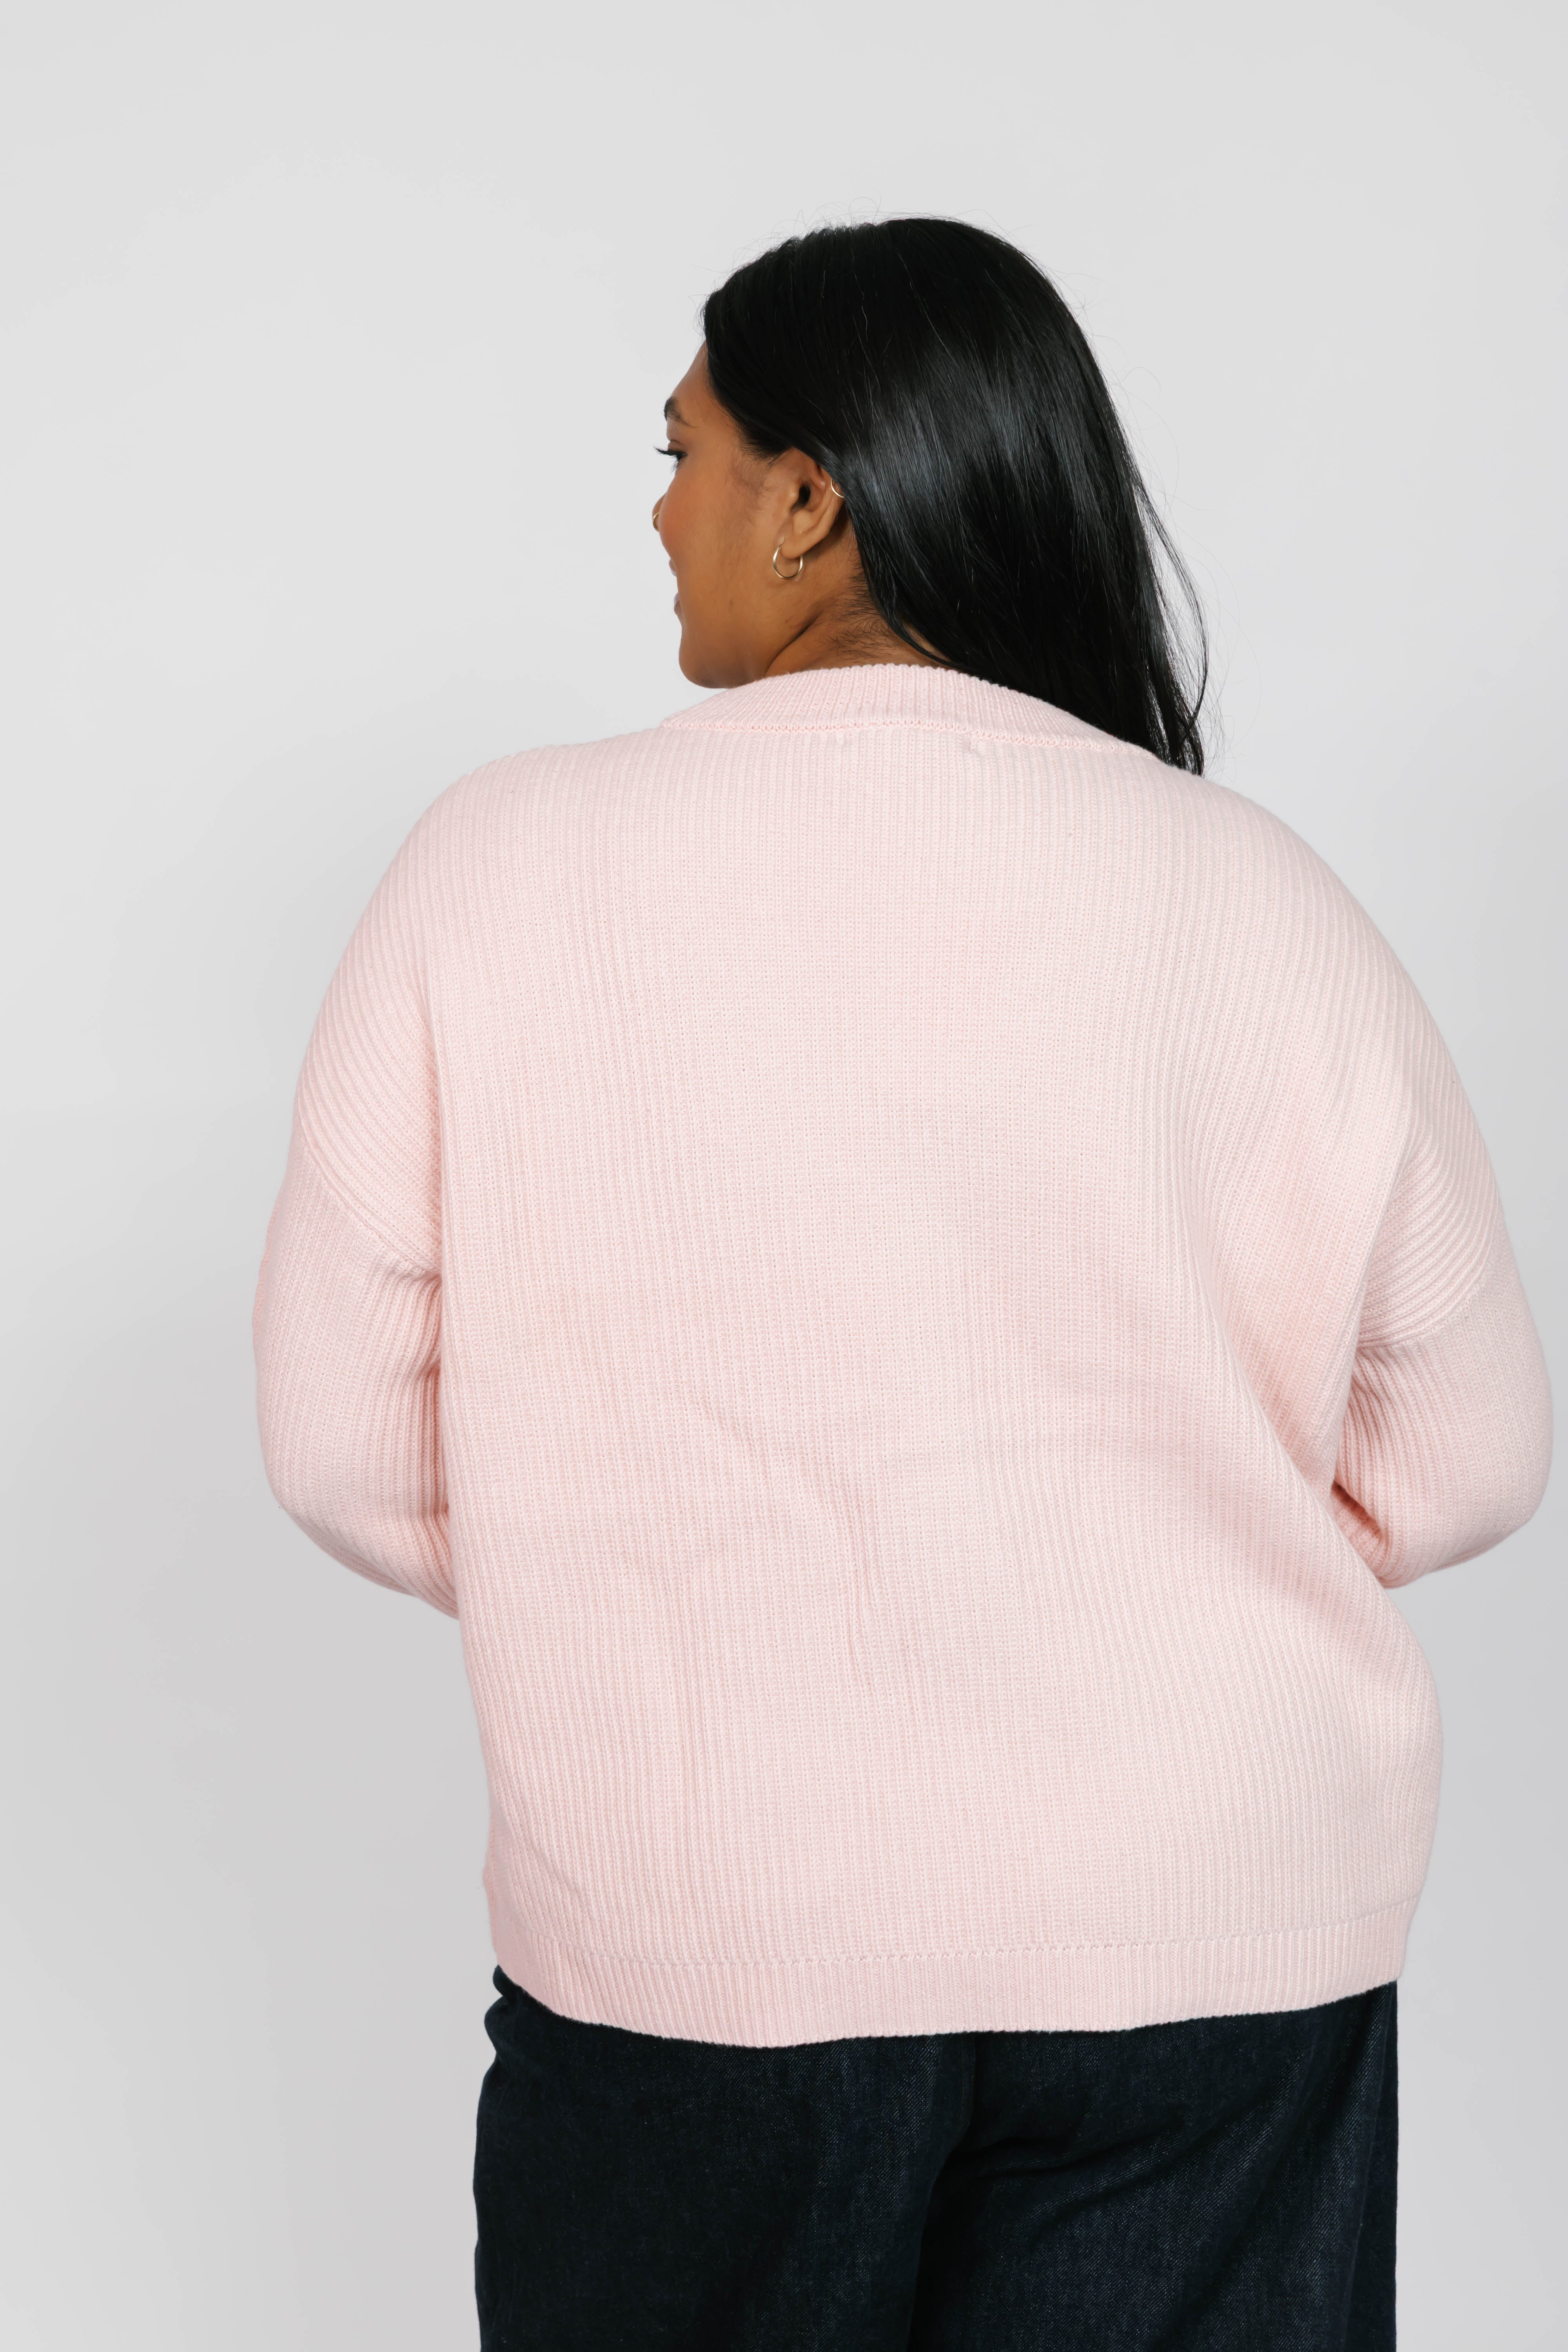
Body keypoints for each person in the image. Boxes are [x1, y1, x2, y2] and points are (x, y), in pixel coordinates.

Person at [252, 218, 1553, 2349]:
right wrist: (1142, 1562)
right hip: (1209, 1942)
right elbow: (1473, 1452)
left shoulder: (497, 867)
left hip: (707, 1934)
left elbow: (336, 1441)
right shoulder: (1256, 894)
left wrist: (654, 1566)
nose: (657, 512)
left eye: (680, 451)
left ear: (807, 496)